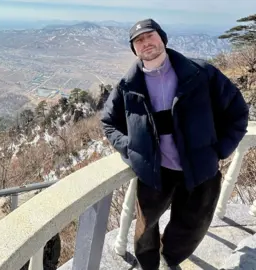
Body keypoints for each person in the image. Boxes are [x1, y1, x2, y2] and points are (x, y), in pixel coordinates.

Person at [100, 18, 249, 270]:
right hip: (155, 172)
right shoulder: (128, 86)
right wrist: (131, 150)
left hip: (200, 167)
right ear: (134, 49)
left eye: (150, 36)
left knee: (193, 224)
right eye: (139, 40)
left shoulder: (201, 74)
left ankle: (169, 258)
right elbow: (109, 123)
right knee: (145, 227)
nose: (146, 42)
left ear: (162, 38)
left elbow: (237, 111)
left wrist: (221, 149)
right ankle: (149, 264)